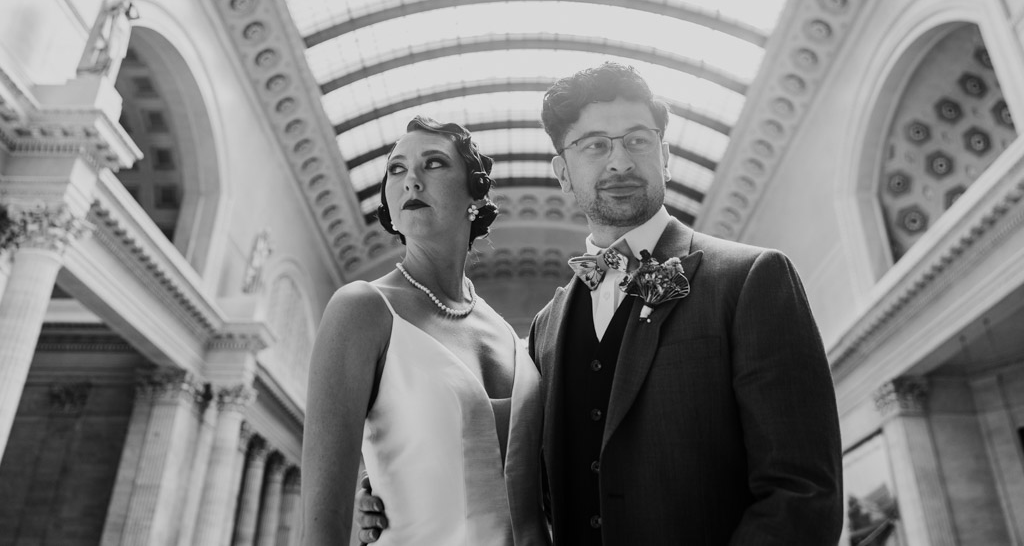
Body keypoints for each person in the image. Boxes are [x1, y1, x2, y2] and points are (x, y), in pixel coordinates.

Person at [357, 63, 844, 544]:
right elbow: (527, 482)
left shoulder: (752, 280)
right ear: (563, 173)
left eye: (637, 140)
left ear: (665, 155)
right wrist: (391, 497)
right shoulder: (546, 329)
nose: (619, 162)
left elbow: (802, 495)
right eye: (594, 146)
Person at [302, 117, 550, 546]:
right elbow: (321, 529)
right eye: (396, 170)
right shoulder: (361, 309)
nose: (411, 180)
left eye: (433, 164)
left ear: (475, 194)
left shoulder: (514, 337)